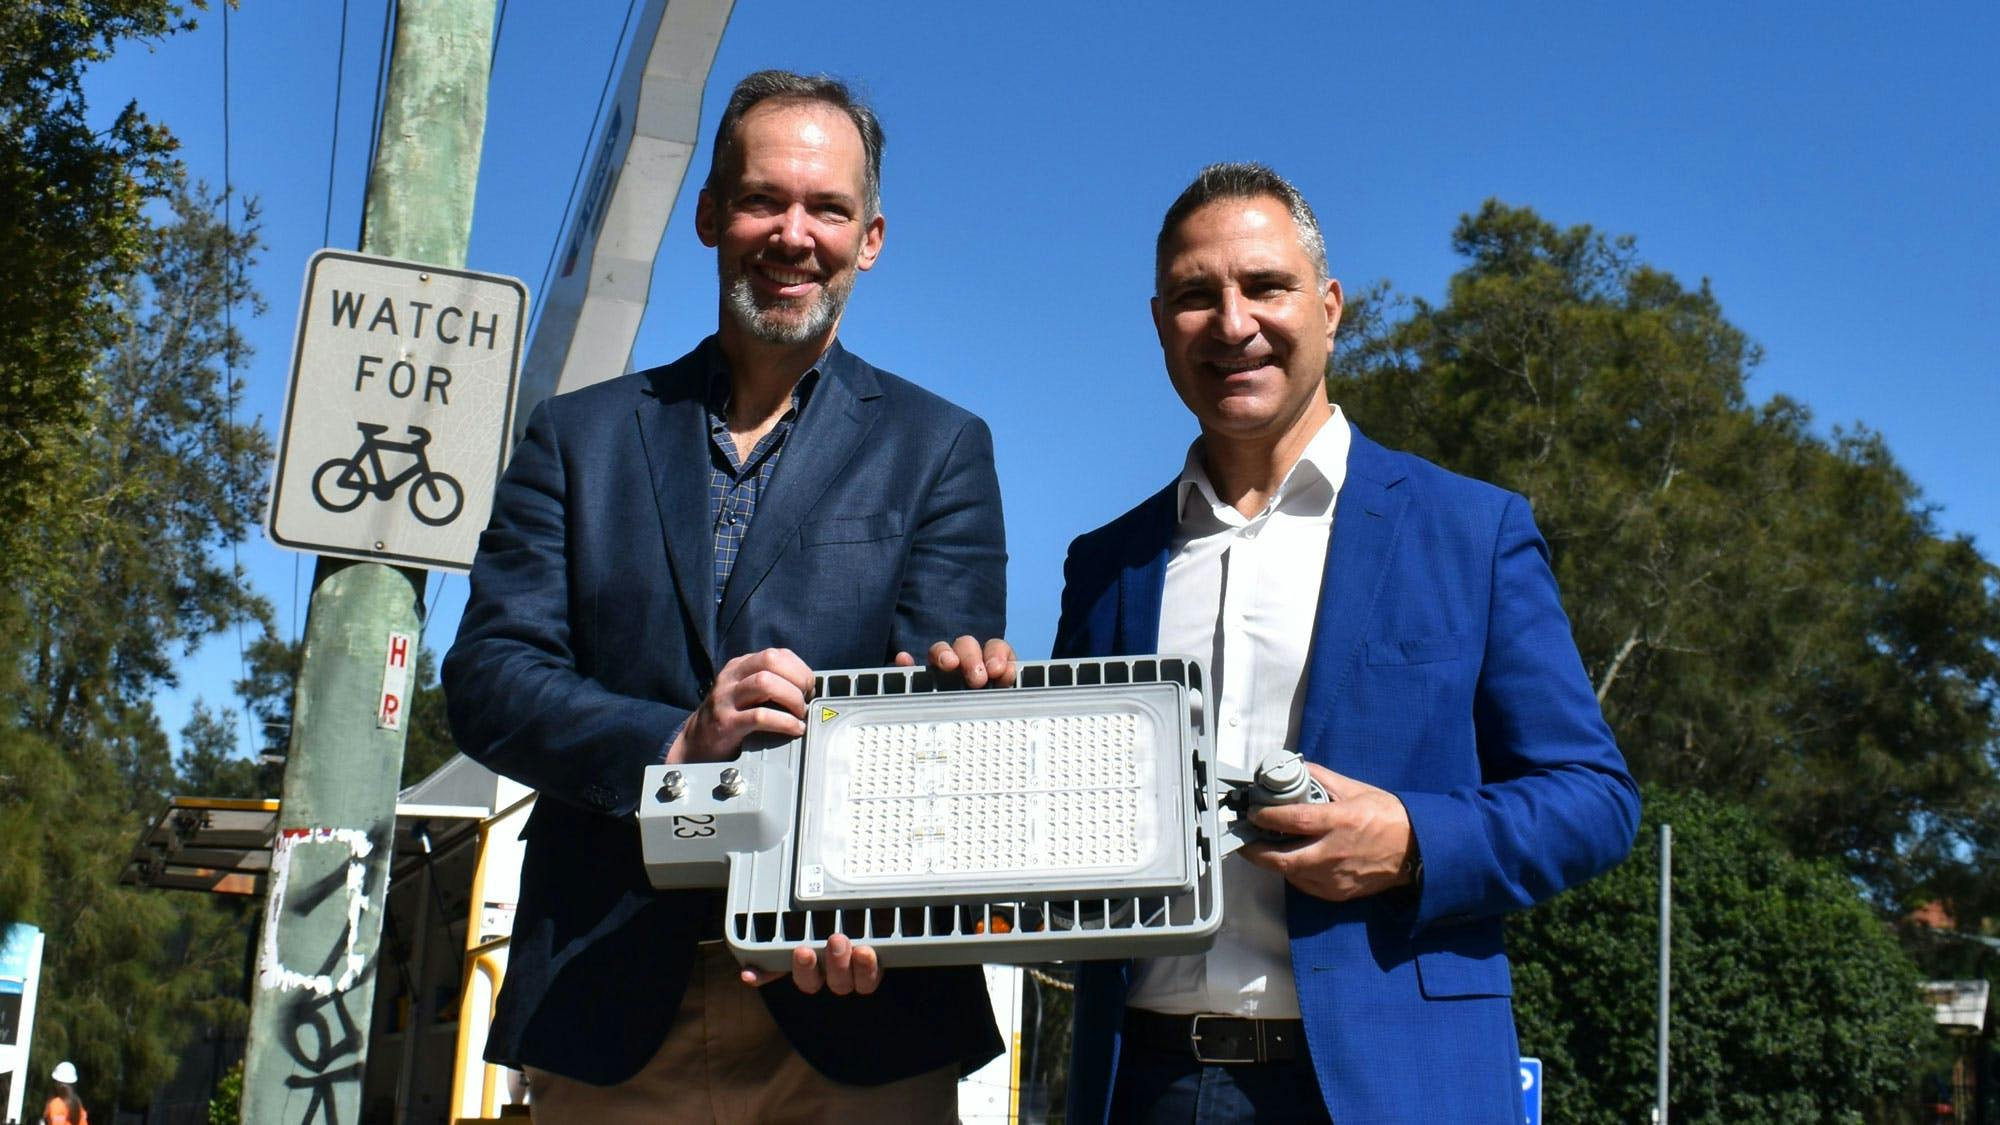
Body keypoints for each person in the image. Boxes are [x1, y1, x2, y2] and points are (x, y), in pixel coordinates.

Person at [443, 70, 1011, 1123]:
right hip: (608, 1006)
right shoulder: (577, 439)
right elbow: (485, 679)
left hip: (855, 1007)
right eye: (763, 200)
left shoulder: (939, 451)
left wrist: (878, 880)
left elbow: (941, 709)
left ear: (870, 237)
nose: (792, 235)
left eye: (827, 209)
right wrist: (675, 746)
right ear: (709, 215)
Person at [1053, 163, 1641, 1123]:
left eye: (1265, 286)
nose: (1233, 323)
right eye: (1197, 296)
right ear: (1160, 324)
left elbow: (1594, 799)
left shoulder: (1471, 532)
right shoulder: (1107, 565)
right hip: (1143, 1084)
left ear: (1330, 306)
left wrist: (1412, 841)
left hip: (1392, 1086)